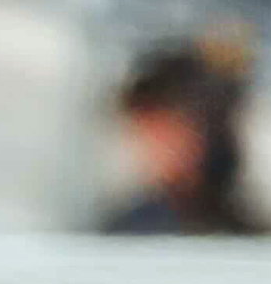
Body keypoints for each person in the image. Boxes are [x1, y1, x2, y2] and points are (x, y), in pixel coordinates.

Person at [94, 35, 262, 236]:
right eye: (145, 131)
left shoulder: (249, 235)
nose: (151, 145)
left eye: (161, 129)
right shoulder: (130, 229)